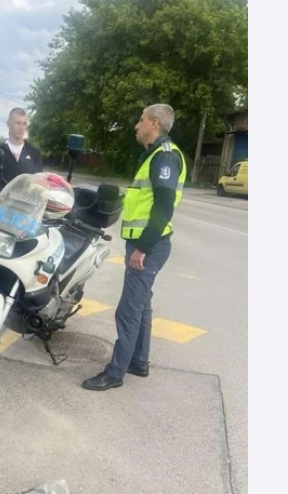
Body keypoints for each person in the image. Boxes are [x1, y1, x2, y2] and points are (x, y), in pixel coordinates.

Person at [82, 104, 186, 391]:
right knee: (142, 305)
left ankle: (115, 373)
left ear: (154, 123)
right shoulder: (154, 154)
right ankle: (139, 361)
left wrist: (143, 248)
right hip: (146, 243)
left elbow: (163, 207)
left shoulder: (164, 157)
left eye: (141, 120)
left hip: (149, 246)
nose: (136, 125)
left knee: (128, 310)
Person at [0, 108, 44, 194]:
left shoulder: (34, 152)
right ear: (8, 124)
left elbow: (39, 184)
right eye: (17, 123)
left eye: (24, 124)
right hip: (3, 202)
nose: (21, 128)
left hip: (27, 202)